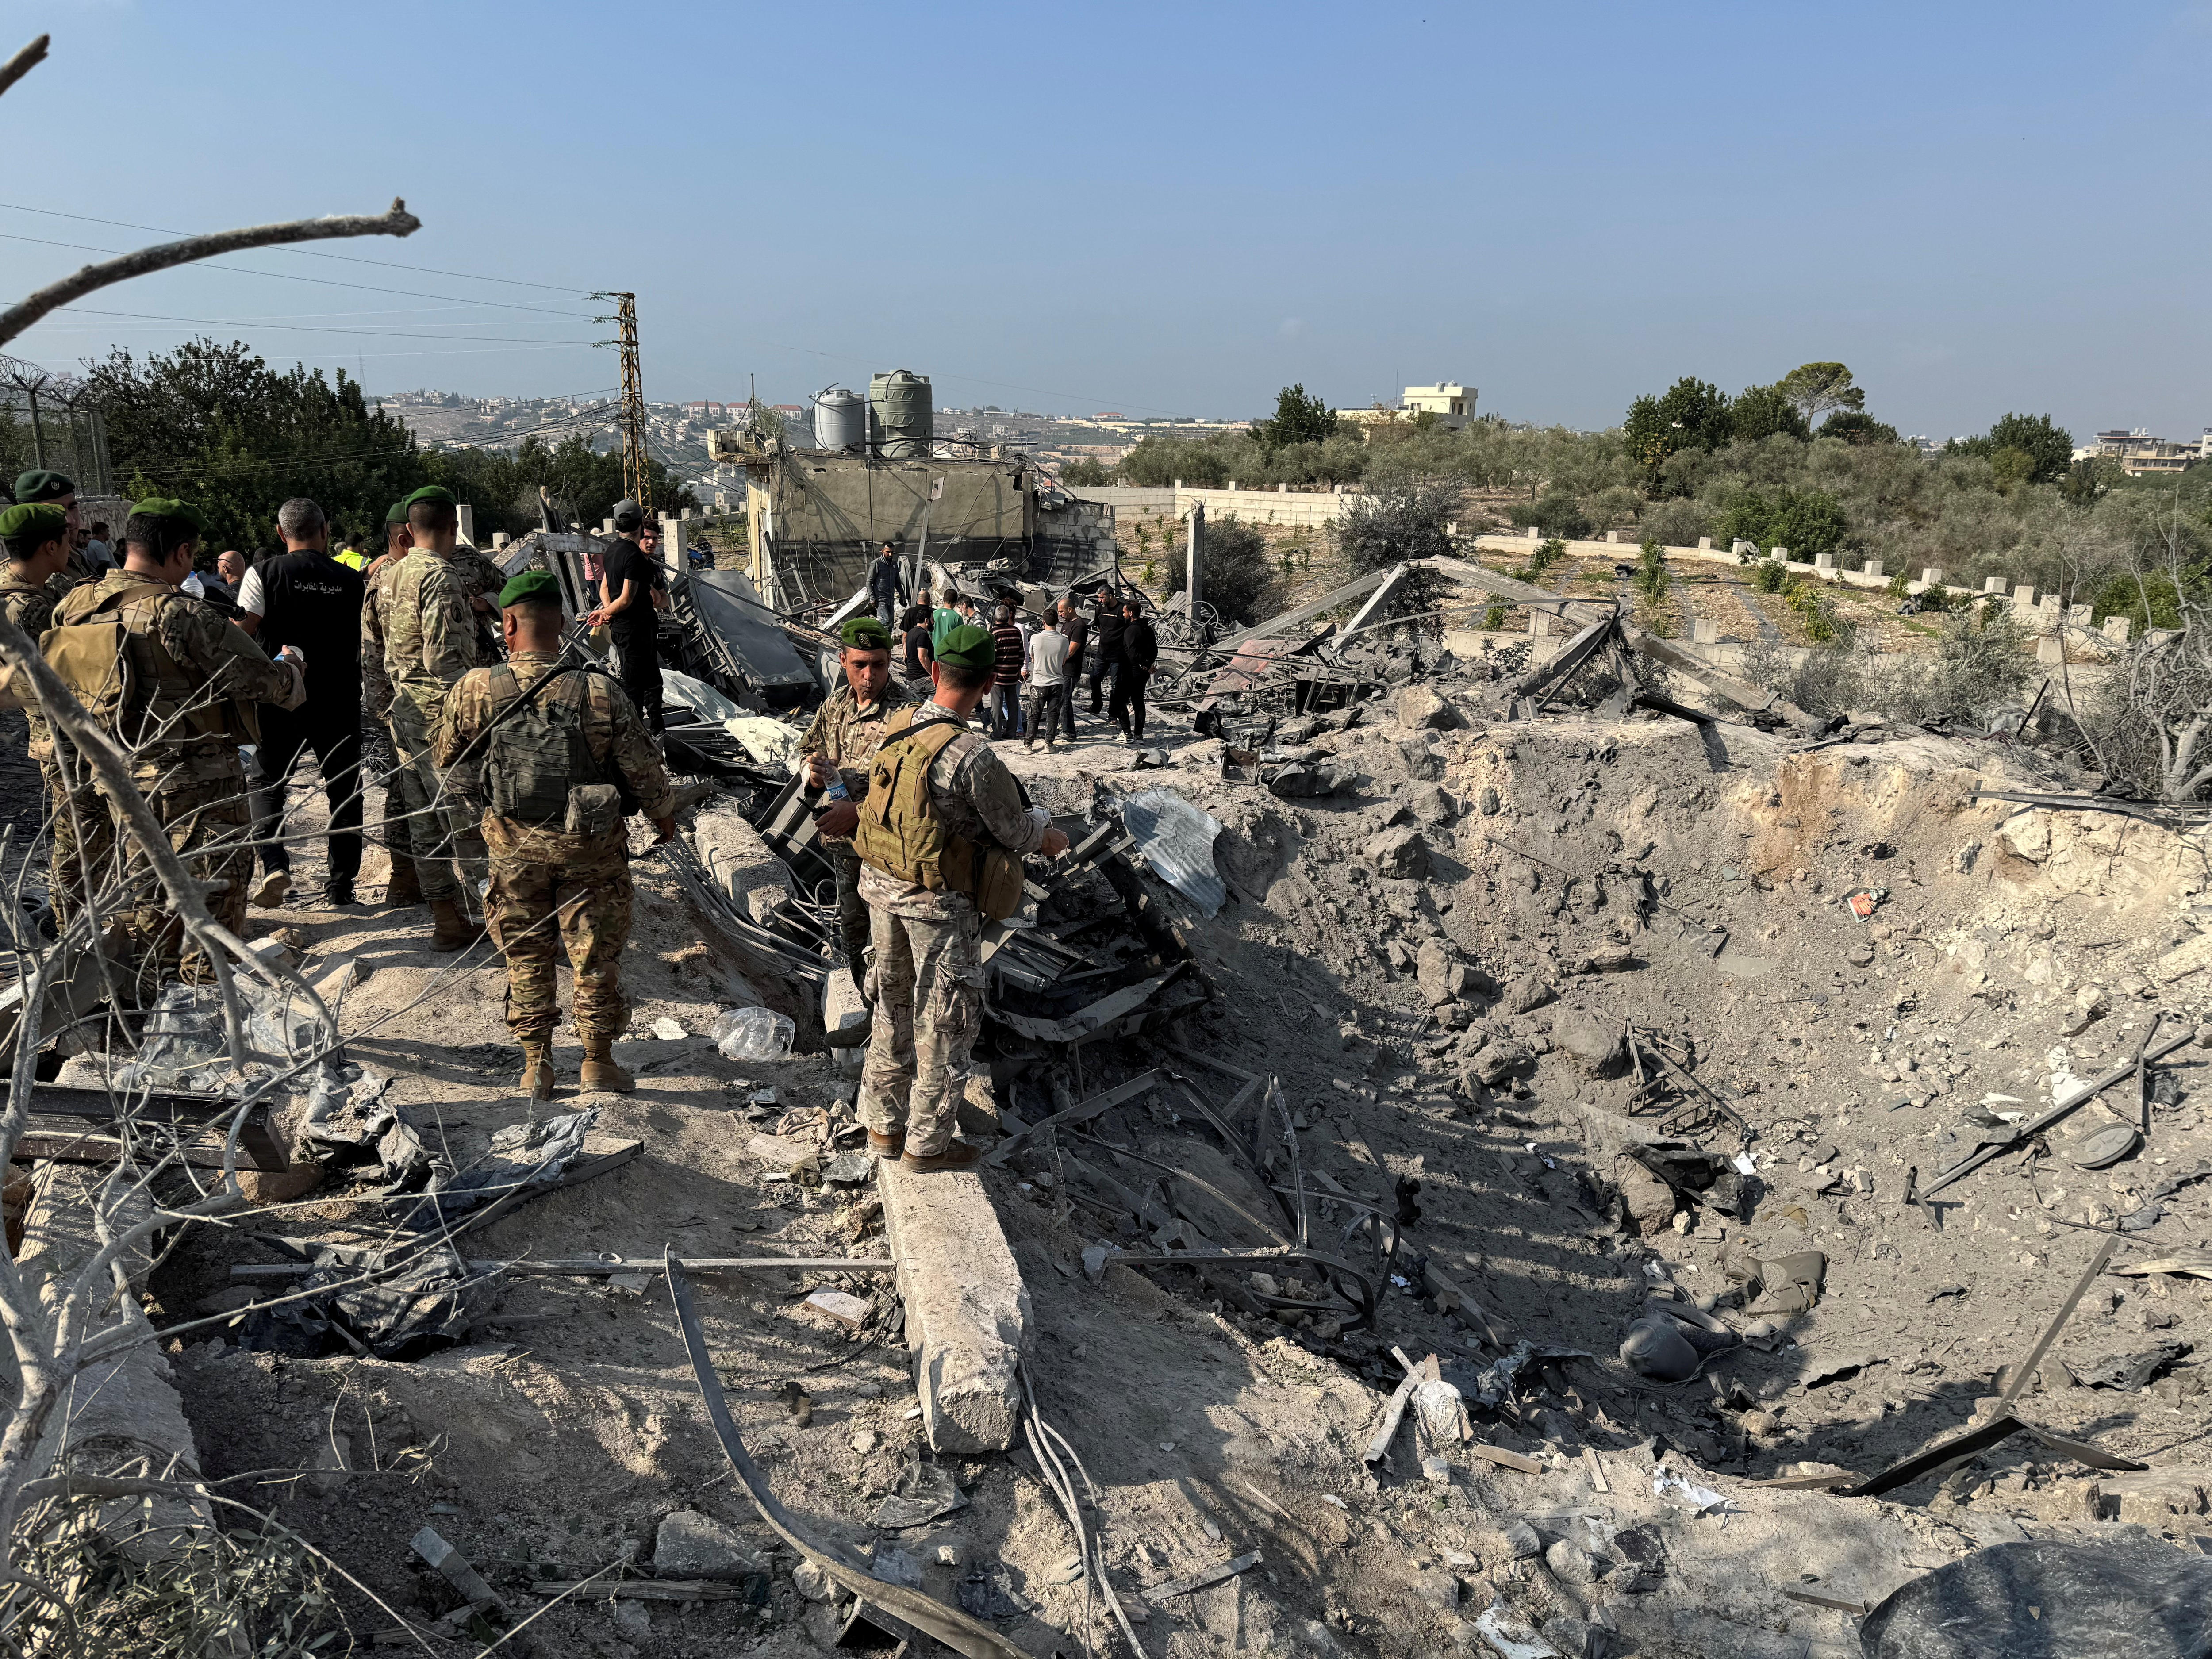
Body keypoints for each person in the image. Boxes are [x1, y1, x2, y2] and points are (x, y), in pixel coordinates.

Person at [42, 498, 303, 995]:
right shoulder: (180, 613)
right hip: (198, 785)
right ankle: (207, 1009)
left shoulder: (74, 604)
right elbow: (266, 683)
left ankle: (143, 1001)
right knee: (214, 900)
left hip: (118, 776)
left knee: (144, 895)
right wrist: (293, 667)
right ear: (182, 552)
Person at [438, 571, 674, 1099]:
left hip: (513, 849)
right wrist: (664, 819)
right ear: (562, 623)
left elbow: (443, 761)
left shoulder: (474, 689)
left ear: (508, 624)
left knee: (526, 955)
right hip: (589, 851)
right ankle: (597, 1062)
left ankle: (537, 1068)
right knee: (593, 957)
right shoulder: (599, 691)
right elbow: (643, 771)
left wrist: (486, 806)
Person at [852, 624, 1068, 1171]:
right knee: (945, 1021)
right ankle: (927, 1146)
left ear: (934, 671)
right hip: (938, 906)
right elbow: (1013, 831)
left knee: (891, 1010)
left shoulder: (896, 725)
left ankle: (882, 1125)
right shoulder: (970, 756)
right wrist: (1047, 836)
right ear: (992, 684)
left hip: (880, 891)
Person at [239, 498, 366, 908]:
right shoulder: (351, 581)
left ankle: (275, 863)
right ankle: (341, 889)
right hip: (339, 700)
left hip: (282, 699)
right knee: (344, 790)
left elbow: (241, 633)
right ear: (325, 531)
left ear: (280, 533)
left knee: (267, 782)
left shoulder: (262, 574)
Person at [381, 485, 492, 950]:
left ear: (409, 531)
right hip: (442, 717)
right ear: (453, 528)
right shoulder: (443, 578)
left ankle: (446, 920)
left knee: (424, 820)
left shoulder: (387, 576)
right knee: (467, 819)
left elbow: (375, 648)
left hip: (403, 711)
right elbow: (446, 661)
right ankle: (485, 914)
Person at [795, 616, 909, 975]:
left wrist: (859, 813)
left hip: (889, 855)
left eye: (878, 665)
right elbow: (808, 749)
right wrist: (811, 774)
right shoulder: (836, 706)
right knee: (854, 939)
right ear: (842, 660)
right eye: (859, 665)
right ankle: (865, 1015)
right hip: (845, 851)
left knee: (892, 948)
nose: (869, 675)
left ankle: (890, 1023)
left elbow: (918, 792)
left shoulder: (908, 713)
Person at [0, 502, 96, 923]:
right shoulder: (30, 609)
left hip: (40, 737)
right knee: (76, 840)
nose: (73, 545)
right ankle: (69, 923)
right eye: (67, 538)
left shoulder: (13, 589)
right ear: (50, 546)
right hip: (58, 737)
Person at [585, 499, 669, 734]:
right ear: (640, 524)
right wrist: (605, 613)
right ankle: (642, 731)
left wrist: (607, 611)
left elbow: (604, 588)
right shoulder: (634, 557)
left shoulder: (611, 550)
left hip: (624, 626)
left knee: (644, 678)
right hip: (636, 628)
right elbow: (627, 598)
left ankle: (650, 728)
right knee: (640, 683)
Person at [15, 470, 82, 595]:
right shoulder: (29, 576)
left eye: (72, 508)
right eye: (55, 511)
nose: (71, 521)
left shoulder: (74, 555)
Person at [1022, 607, 1070, 755]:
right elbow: (1064, 661)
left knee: (1034, 715)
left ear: (1043, 622)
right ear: (1057, 622)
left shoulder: (1035, 638)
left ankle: (1028, 745)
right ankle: (1049, 744)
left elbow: (1033, 658)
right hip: (1057, 682)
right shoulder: (1064, 641)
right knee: (1053, 715)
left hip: (1039, 682)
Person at [1111, 594, 1157, 743]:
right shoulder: (1148, 629)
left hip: (1131, 671)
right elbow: (1155, 650)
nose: (1123, 615)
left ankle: (1127, 734)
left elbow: (1133, 653)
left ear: (1131, 613)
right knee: (1138, 702)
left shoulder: (1131, 630)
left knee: (1118, 702)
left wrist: (1145, 664)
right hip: (1143, 671)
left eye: (1124, 613)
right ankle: (1139, 735)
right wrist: (1149, 664)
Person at [987, 603, 1024, 739]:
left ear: (996, 617)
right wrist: (1018, 669)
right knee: (1013, 703)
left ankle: (996, 733)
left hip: (998, 676)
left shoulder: (994, 632)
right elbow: (1022, 654)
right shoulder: (1016, 632)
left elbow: (992, 655)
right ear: (1008, 616)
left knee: (996, 705)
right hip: (1013, 675)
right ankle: (1012, 732)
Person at [1087, 584, 1123, 716]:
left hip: (1118, 656)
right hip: (1102, 653)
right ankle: (1097, 706)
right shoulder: (1100, 609)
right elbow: (1099, 627)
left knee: (1116, 686)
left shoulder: (1121, 610)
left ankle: (1113, 714)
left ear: (1110, 596)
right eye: (1099, 598)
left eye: (1102, 598)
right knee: (1094, 679)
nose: (1100, 600)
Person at [1056, 597, 1086, 743]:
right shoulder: (1066, 624)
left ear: (1070, 609)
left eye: (1062, 611)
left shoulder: (1079, 626)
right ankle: (1065, 728)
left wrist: (1057, 661)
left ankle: (1069, 731)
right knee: (1063, 699)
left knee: (1065, 699)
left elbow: (1071, 650)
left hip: (1071, 669)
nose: (1060, 614)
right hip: (1063, 669)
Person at [867, 542, 908, 634]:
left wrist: (902, 596)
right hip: (881, 599)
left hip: (891, 600)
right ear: (882, 551)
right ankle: (881, 644)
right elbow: (869, 582)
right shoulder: (876, 564)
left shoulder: (894, 565)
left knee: (891, 624)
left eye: (892, 553)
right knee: (885, 622)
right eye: (888, 552)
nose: (890, 555)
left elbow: (897, 582)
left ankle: (887, 646)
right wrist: (872, 598)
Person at [901, 600, 934, 687]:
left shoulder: (911, 632)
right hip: (921, 679)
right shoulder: (922, 635)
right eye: (932, 620)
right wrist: (933, 675)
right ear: (927, 621)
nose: (934, 623)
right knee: (940, 693)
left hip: (911, 677)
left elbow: (905, 648)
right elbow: (922, 657)